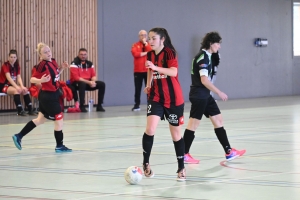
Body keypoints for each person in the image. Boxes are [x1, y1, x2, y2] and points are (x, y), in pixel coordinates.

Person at [183, 32, 246, 164]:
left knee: (218, 120)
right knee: (193, 125)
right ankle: (183, 154)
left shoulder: (209, 56)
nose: (219, 46)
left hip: (206, 95)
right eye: (218, 43)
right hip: (199, 95)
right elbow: (204, 80)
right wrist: (219, 92)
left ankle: (229, 152)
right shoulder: (202, 57)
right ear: (211, 44)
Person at [142, 27, 186, 181]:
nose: (150, 41)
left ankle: (181, 167)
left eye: (154, 38)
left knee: (176, 134)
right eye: (149, 38)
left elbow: (173, 72)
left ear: (162, 39)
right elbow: (149, 70)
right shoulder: (149, 54)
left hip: (174, 99)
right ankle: (146, 163)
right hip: (155, 97)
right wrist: (148, 83)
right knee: (150, 128)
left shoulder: (169, 53)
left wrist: (156, 68)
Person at [12, 42, 72, 153]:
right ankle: (59, 146)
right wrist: (41, 80)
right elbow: (32, 79)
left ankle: (19, 136)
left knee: (40, 120)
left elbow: (56, 76)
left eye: (49, 50)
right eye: (45, 52)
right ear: (41, 55)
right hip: (48, 97)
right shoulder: (41, 65)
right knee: (59, 120)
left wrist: (62, 68)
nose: (48, 53)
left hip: (51, 95)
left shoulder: (53, 61)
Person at [68, 48, 105, 112]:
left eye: (85, 54)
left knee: (102, 84)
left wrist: (93, 82)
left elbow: (93, 75)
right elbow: (77, 78)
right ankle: (82, 106)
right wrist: (89, 82)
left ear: (87, 55)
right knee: (82, 84)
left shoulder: (90, 64)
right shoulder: (74, 63)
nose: (83, 56)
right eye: (81, 54)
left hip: (88, 83)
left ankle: (99, 106)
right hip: (76, 83)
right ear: (78, 54)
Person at [0, 49, 36, 116]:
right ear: (8, 57)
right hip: (2, 85)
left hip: (10, 85)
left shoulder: (17, 65)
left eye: (14, 57)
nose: (12, 59)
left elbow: (19, 77)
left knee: (24, 90)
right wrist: (17, 87)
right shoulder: (5, 65)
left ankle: (30, 109)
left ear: (16, 58)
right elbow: (9, 78)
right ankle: (20, 111)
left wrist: (22, 86)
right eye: (11, 57)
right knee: (16, 91)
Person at [131, 30, 152, 111]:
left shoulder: (149, 44)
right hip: (138, 71)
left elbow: (151, 51)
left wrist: (146, 45)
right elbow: (136, 54)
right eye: (141, 35)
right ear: (139, 36)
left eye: (145, 35)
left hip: (148, 70)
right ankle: (137, 105)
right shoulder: (135, 45)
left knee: (149, 87)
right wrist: (146, 53)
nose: (143, 36)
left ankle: (150, 105)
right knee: (137, 88)